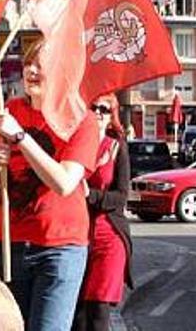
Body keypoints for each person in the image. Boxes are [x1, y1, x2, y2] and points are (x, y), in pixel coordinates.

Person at [0, 39, 99, 331]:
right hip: (12, 243)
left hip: (60, 248)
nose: (31, 71)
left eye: (41, 65)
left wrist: (21, 138)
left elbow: (64, 182)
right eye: (27, 64)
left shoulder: (81, 120)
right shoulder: (10, 111)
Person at [72, 93, 133, 331]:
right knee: (77, 312)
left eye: (104, 109)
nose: (98, 112)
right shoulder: (74, 144)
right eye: (94, 107)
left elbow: (121, 197)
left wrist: (91, 195)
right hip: (78, 235)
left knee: (98, 310)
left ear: (111, 116)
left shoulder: (117, 148)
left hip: (109, 238)